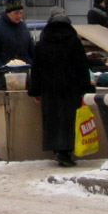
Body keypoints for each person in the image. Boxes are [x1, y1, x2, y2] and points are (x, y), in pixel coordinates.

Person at [27, 13, 95, 167]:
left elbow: (35, 69)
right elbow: (82, 67)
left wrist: (35, 91)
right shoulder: (74, 42)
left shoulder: (42, 43)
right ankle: (65, 152)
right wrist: (86, 88)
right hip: (71, 89)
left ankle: (57, 151)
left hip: (49, 90)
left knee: (52, 120)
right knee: (69, 120)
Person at [0, 0, 34, 122]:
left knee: (22, 113)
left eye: (21, 13)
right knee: (2, 113)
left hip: (23, 78)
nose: (19, 16)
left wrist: (32, 65)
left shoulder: (23, 27)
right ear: (7, 13)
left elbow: (31, 50)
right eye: (15, 13)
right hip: (1, 79)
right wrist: (3, 69)